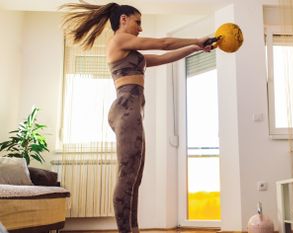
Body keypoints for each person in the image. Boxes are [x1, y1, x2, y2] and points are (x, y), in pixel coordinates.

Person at [61, 2, 213, 233]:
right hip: (126, 110)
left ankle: (133, 229)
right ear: (123, 19)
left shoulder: (133, 55)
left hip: (131, 111)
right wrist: (196, 39)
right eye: (138, 22)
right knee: (126, 175)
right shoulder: (119, 40)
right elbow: (164, 43)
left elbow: (166, 55)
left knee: (134, 177)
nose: (140, 28)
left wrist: (195, 49)